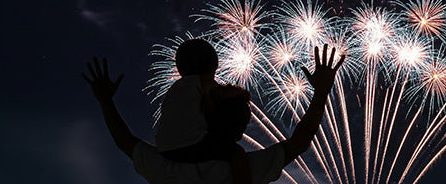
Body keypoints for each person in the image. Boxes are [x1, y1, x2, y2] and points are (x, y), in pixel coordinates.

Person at [82, 44, 346, 184]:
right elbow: (300, 141)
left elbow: (124, 140)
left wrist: (106, 101)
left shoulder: (167, 169)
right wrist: (321, 92)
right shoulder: (239, 169)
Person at [155, 38, 251, 184]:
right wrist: (242, 94)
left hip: (164, 148)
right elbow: (219, 95)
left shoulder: (176, 88)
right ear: (211, 65)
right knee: (238, 153)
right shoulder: (203, 82)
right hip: (192, 143)